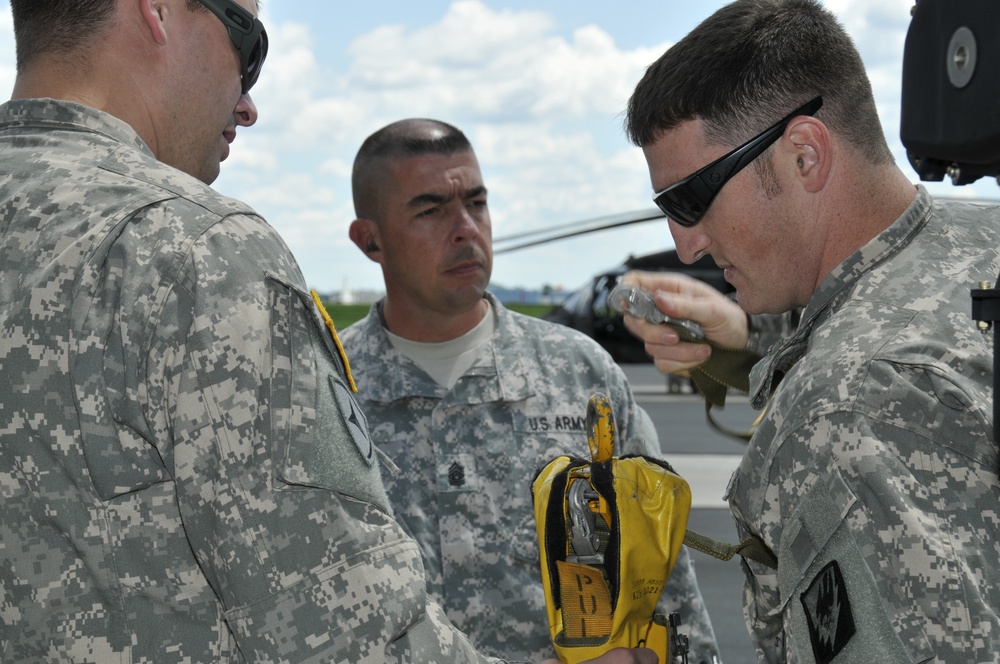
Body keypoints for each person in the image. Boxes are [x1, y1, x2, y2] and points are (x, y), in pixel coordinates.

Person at [0, 2, 656, 663]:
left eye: (476, 202)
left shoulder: (580, 370)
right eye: (248, 45)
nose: (248, 104)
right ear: (159, 11)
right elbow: (344, 629)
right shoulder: (196, 250)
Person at [620, 0, 1000, 662]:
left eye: (691, 199)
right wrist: (746, 342)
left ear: (804, 155)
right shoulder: (981, 242)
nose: (687, 247)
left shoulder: (846, 401)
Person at [339, 118, 721, 664]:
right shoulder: (331, 392)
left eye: (477, 202)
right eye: (430, 210)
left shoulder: (580, 374)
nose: (465, 228)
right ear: (369, 240)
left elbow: (663, 573)